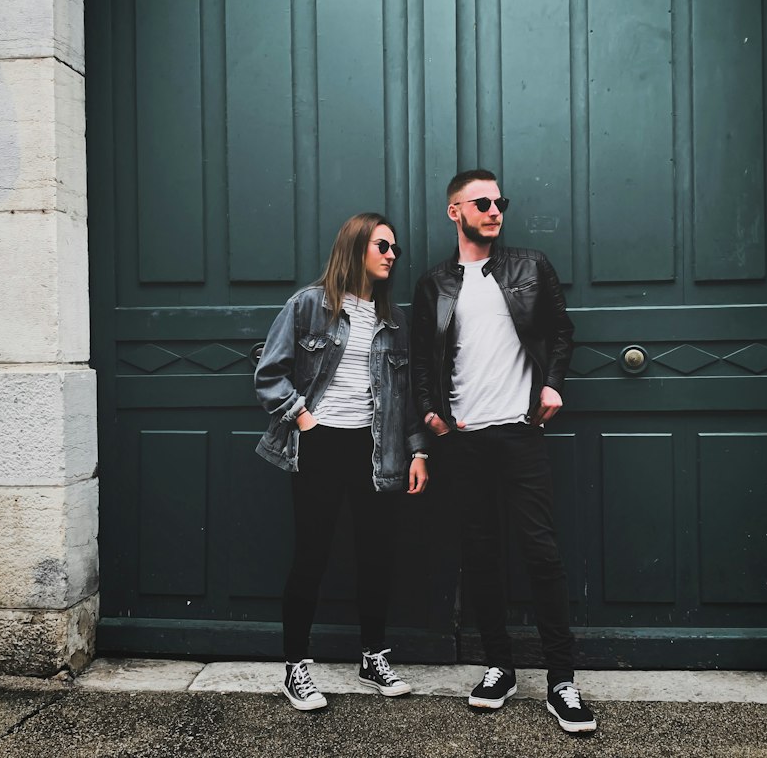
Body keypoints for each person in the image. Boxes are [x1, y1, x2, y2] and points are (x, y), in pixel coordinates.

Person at [410, 170, 597, 734]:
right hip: (463, 440)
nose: (494, 210)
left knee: (541, 554)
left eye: (500, 202)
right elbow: (422, 358)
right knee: (482, 555)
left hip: (520, 433)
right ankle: (500, 667)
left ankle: (562, 681)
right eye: (482, 202)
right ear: (455, 212)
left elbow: (561, 331)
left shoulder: (530, 267)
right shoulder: (434, 284)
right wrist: (431, 415)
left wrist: (553, 384)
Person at [254, 213, 429, 711]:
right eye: (382, 245)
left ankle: (372, 656)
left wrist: (418, 451)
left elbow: (406, 397)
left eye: (395, 247)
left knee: (376, 556)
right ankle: (295, 667)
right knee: (312, 555)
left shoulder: (394, 320)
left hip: (376, 450)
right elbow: (270, 373)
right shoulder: (309, 306)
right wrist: (303, 419)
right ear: (355, 248)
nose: (392, 254)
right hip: (320, 444)